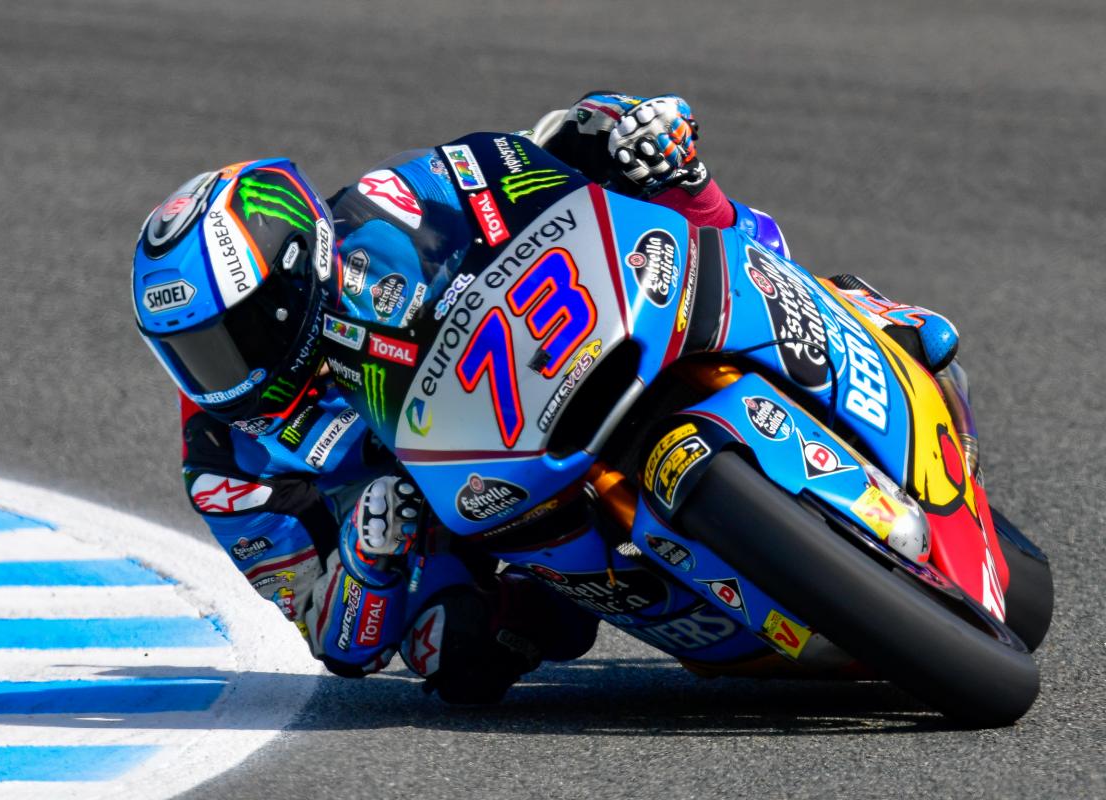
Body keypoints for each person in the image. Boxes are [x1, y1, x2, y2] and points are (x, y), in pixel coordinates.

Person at [133, 91, 949, 702]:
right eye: (186, 353)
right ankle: (599, 584)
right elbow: (332, 638)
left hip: (546, 358)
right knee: (457, 654)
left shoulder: (386, 212)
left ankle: (830, 301)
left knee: (666, 192)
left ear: (290, 283)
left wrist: (620, 130)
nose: (213, 376)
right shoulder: (225, 465)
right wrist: (369, 558)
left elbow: (520, 159)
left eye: (225, 340)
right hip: (456, 515)